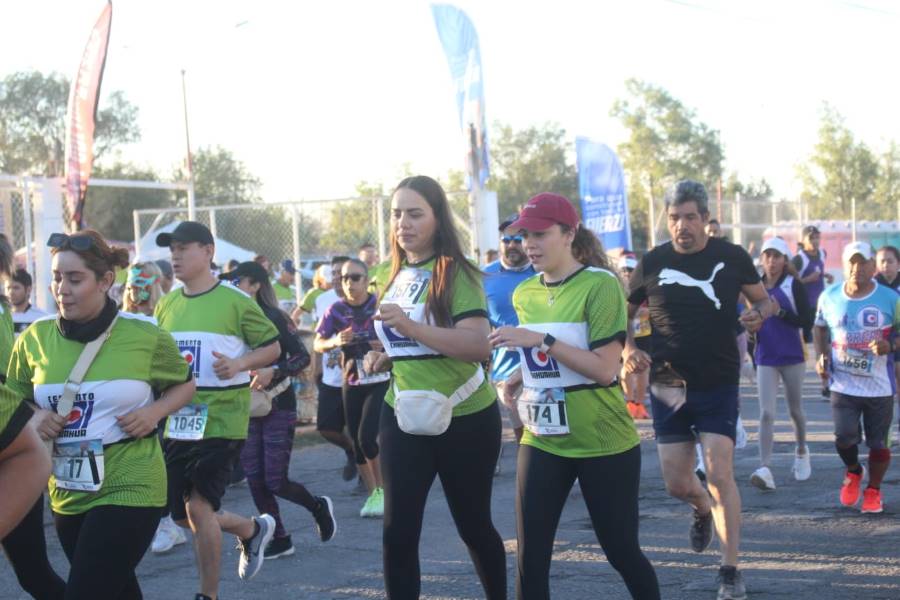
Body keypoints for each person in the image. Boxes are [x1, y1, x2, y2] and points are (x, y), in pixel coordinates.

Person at [7, 230, 197, 599]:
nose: (62, 288)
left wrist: (155, 412)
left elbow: (186, 384)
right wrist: (33, 416)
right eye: (57, 277)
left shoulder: (145, 334)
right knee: (118, 590)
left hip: (132, 480)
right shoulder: (35, 337)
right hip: (67, 487)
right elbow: (13, 398)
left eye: (75, 279)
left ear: (106, 281)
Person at [490, 193, 660, 600]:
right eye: (524, 234)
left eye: (540, 234)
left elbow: (603, 369)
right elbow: (552, 357)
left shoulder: (600, 285)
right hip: (543, 436)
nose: (528, 243)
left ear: (569, 234)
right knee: (530, 558)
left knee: (620, 551)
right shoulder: (524, 293)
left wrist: (540, 340)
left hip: (603, 440)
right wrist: (519, 373)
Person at [624, 180, 774, 600]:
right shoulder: (653, 261)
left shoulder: (731, 257)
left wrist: (757, 314)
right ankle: (701, 507)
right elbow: (623, 312)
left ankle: (730, 569)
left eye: (690, 217)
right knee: (676, 482)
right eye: (674, 218)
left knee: (720, 471)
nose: (682, 226)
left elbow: (766, 302)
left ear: (706, 220)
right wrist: (629, 349)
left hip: (718, 380)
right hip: (668, 383)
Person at [363, 175, 506, 599]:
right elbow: (414, 341)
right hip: (403, 411)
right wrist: (387, 353)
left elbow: (477, 344)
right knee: (397, 531)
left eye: (414, 213)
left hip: (465, 416)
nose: (402, 223)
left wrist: (408, 326)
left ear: (437, 218)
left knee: (474, 526)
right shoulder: (391, 273)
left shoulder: (455, 271)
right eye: (396, 214)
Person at [153, 221, 281, 600]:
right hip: (179, 420)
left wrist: (240, 365)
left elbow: (272, 348)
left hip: (222, 417)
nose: (175, 255)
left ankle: (207, 595)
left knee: (198, 506)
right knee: (181, 515)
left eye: (183, 247)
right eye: (171, 249)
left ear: (208, 251)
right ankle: (250, 529)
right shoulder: (167, 304)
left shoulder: (235, 300)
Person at [222, 262, 336, 559]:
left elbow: (301, 358)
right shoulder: (227, 320)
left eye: (237, 281)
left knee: (275, 480)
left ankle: (317, 506)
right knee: (255, 479)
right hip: (244, 408)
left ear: (256, 284)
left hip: (278, 405)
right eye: (228, 281)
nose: (231, 286)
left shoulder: (274, 317)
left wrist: (274, 370)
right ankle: (281, 538)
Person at [814, 241, 898, 514]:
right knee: (843, 438)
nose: (857, 268)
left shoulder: (891, 299)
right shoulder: (829, 296)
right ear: (844, 264)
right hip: (843, 384)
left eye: (863, 263)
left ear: (873, 266)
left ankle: (873, 490)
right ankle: (853, 471)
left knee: (878, 444)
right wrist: (821, 356)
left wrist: (891, 346)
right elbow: (819, 328)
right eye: (852, 262)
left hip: (879, 386)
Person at [121, 261, 190, 555]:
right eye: (132, 285)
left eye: (143, 285)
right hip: (133, 400)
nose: (137, 291)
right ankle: (165, 520)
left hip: (165, 399)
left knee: (169, 462)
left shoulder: (166, 316)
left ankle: (168, 522)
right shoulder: (120, 318)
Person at [316, 259, 389, 517]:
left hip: (380, 379)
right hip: (352, 380)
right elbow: (317, 342)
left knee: (367, 437)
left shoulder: (381, 305)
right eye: (345, 278)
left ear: (367, 279)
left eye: (355, 277)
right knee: (358, 444)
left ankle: (384, 489)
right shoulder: (335, 310)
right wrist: (335, 340)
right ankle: (374, 495)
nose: (349, 283)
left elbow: (405, 335)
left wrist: (385, 345)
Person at [749, 237, 813, 491]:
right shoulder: (755, 287)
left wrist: (780, 312)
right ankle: (765, 467)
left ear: (785, 260)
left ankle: (801, 451)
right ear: (762, 259)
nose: (772, 261)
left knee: (795, 411)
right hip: (766, 356)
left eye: (777, 256)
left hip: (793, 356)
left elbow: (805, 321)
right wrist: (750, 323)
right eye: (767, 256)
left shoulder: (793, 285)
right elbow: (752, 317)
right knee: (766, 413)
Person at [483, 215, 535, 448]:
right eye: (506, 240)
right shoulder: (485, 275)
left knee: (543, 429)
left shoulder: (541, 269)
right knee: (522, 435)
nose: (512, 245)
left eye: (517, 239)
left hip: (541, 361)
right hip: (503, 368)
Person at [0, 383, 50, 541]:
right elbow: (19, 391)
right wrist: (35, 413)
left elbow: (29, 454)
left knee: (31, 563)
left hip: (122, 475)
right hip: (65, 491)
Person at [618, 253, 651, 420]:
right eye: (623, 270)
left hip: (644, 333)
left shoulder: (642, 283)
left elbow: (655, 307)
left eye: (629, 269)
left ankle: (639, 404)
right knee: (627, 368)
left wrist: (645, 311)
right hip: (627, 335)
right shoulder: (617, 285)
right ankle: (629, 402)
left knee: (643, 370)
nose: (626, 273)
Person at [792, 225, 834, 342]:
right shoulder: (799, 259)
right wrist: (807, 279)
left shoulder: (822, 253)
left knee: (826, 334)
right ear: (803, 240)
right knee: (807, 337)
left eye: (817, 237)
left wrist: (826, 275)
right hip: (805, 304)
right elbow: (790, 282)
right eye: (811, 238)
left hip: (821, 301)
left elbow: (818, 270)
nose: (815, 241)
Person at [9, 269, 48, 336]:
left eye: (16, 288)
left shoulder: (41, 318)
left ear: (28, 290)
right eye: (8, 288)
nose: (11, 292)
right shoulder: (3, 317)